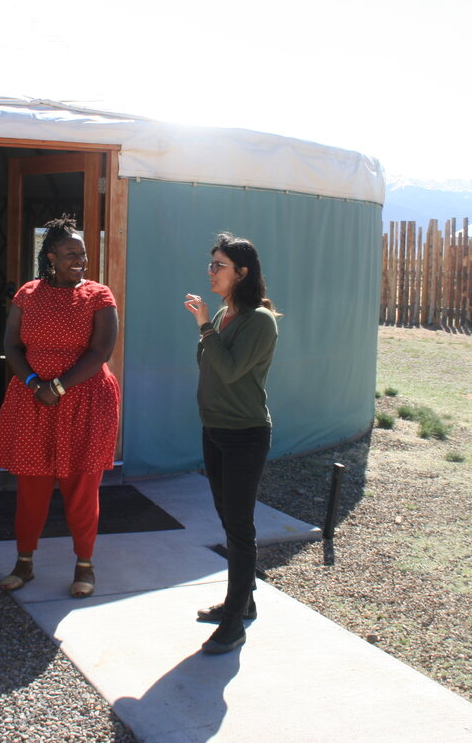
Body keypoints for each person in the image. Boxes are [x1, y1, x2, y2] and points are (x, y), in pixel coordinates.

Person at [0, 216, 121, 598]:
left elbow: (101, 351)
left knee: (81, 487)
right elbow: (12, 346)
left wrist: (59, 386)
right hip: (34, 401)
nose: (79, 260)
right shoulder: (28, 294)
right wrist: (36, 383)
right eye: (70, 254)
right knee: (31, 485)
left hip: (86, 401)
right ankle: (24, 563)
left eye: (82, 253)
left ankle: (85, 566)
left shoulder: (99, 295)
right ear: (51, 257)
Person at [182, 232, 279, 654]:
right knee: (227, 518)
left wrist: (204, 325)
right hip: (215, 429)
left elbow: (230, 369)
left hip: (245, 434)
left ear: (242, 272)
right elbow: (208, 362)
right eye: (211, 264)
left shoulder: (259, 321)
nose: (211, 271)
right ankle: (245, 602)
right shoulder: (224, 314)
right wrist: (209, 326)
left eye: (218, 265)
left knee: (239, 526)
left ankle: (234, 624)